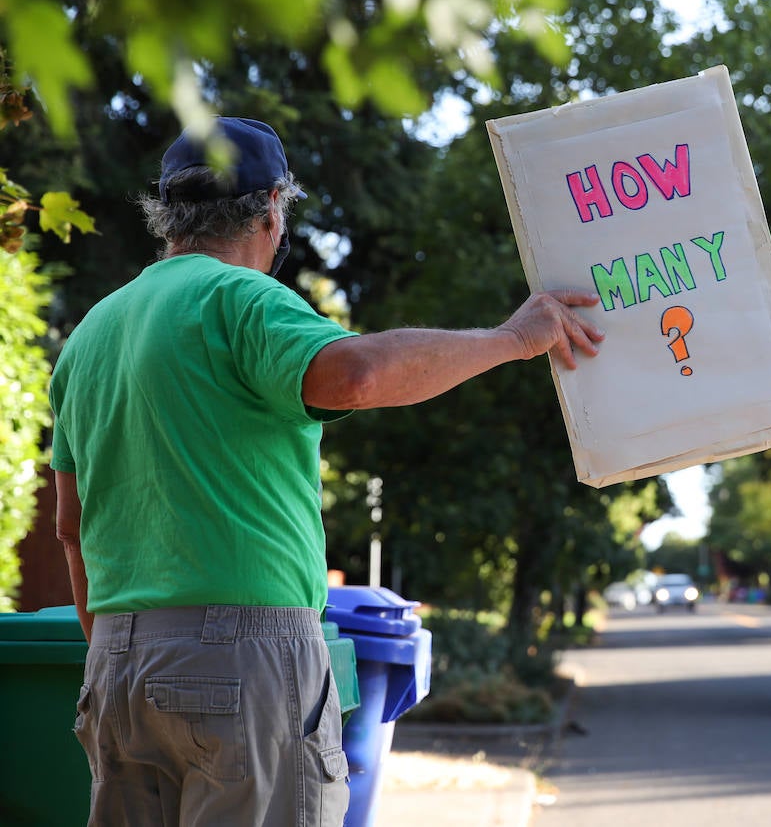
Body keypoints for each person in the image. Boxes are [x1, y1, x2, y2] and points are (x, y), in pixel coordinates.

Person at [50, 116, 603, 826]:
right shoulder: (238, 299)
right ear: (273, 208)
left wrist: (119, 653)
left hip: (118, 663)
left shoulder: (90, 335)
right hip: (242, 656)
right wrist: (512, 340)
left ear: (167, 214)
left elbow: (71, 529)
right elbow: (358, 375)